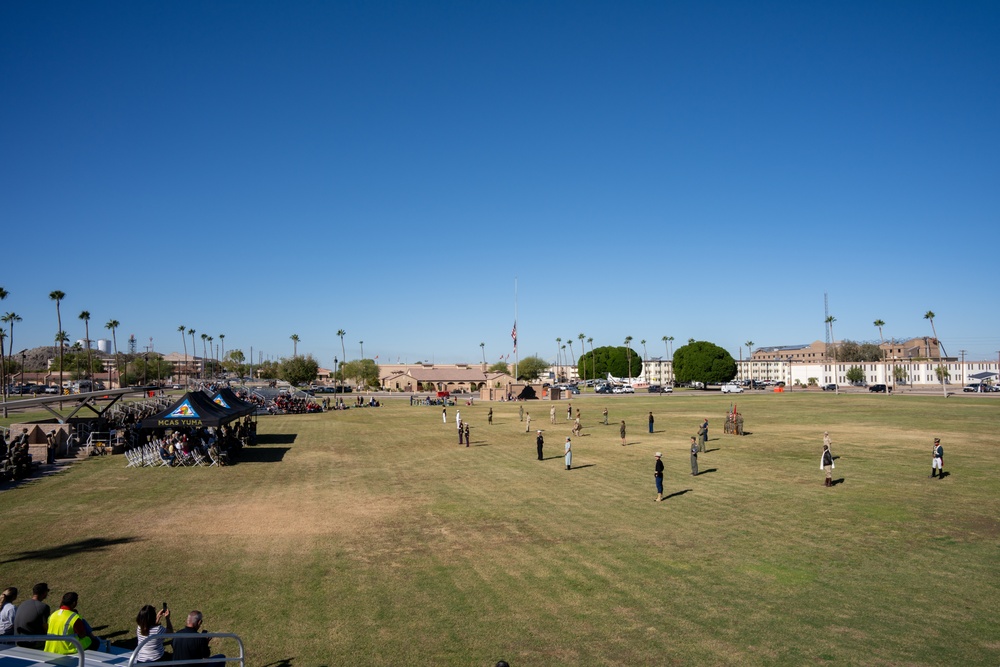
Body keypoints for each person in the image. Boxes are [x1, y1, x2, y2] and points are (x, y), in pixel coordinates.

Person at [13, 582, 50, 649]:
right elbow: (46, 628)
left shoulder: (23, 603)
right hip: (31, 643)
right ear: (44, 593)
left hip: (17, 640)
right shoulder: (43, 607)